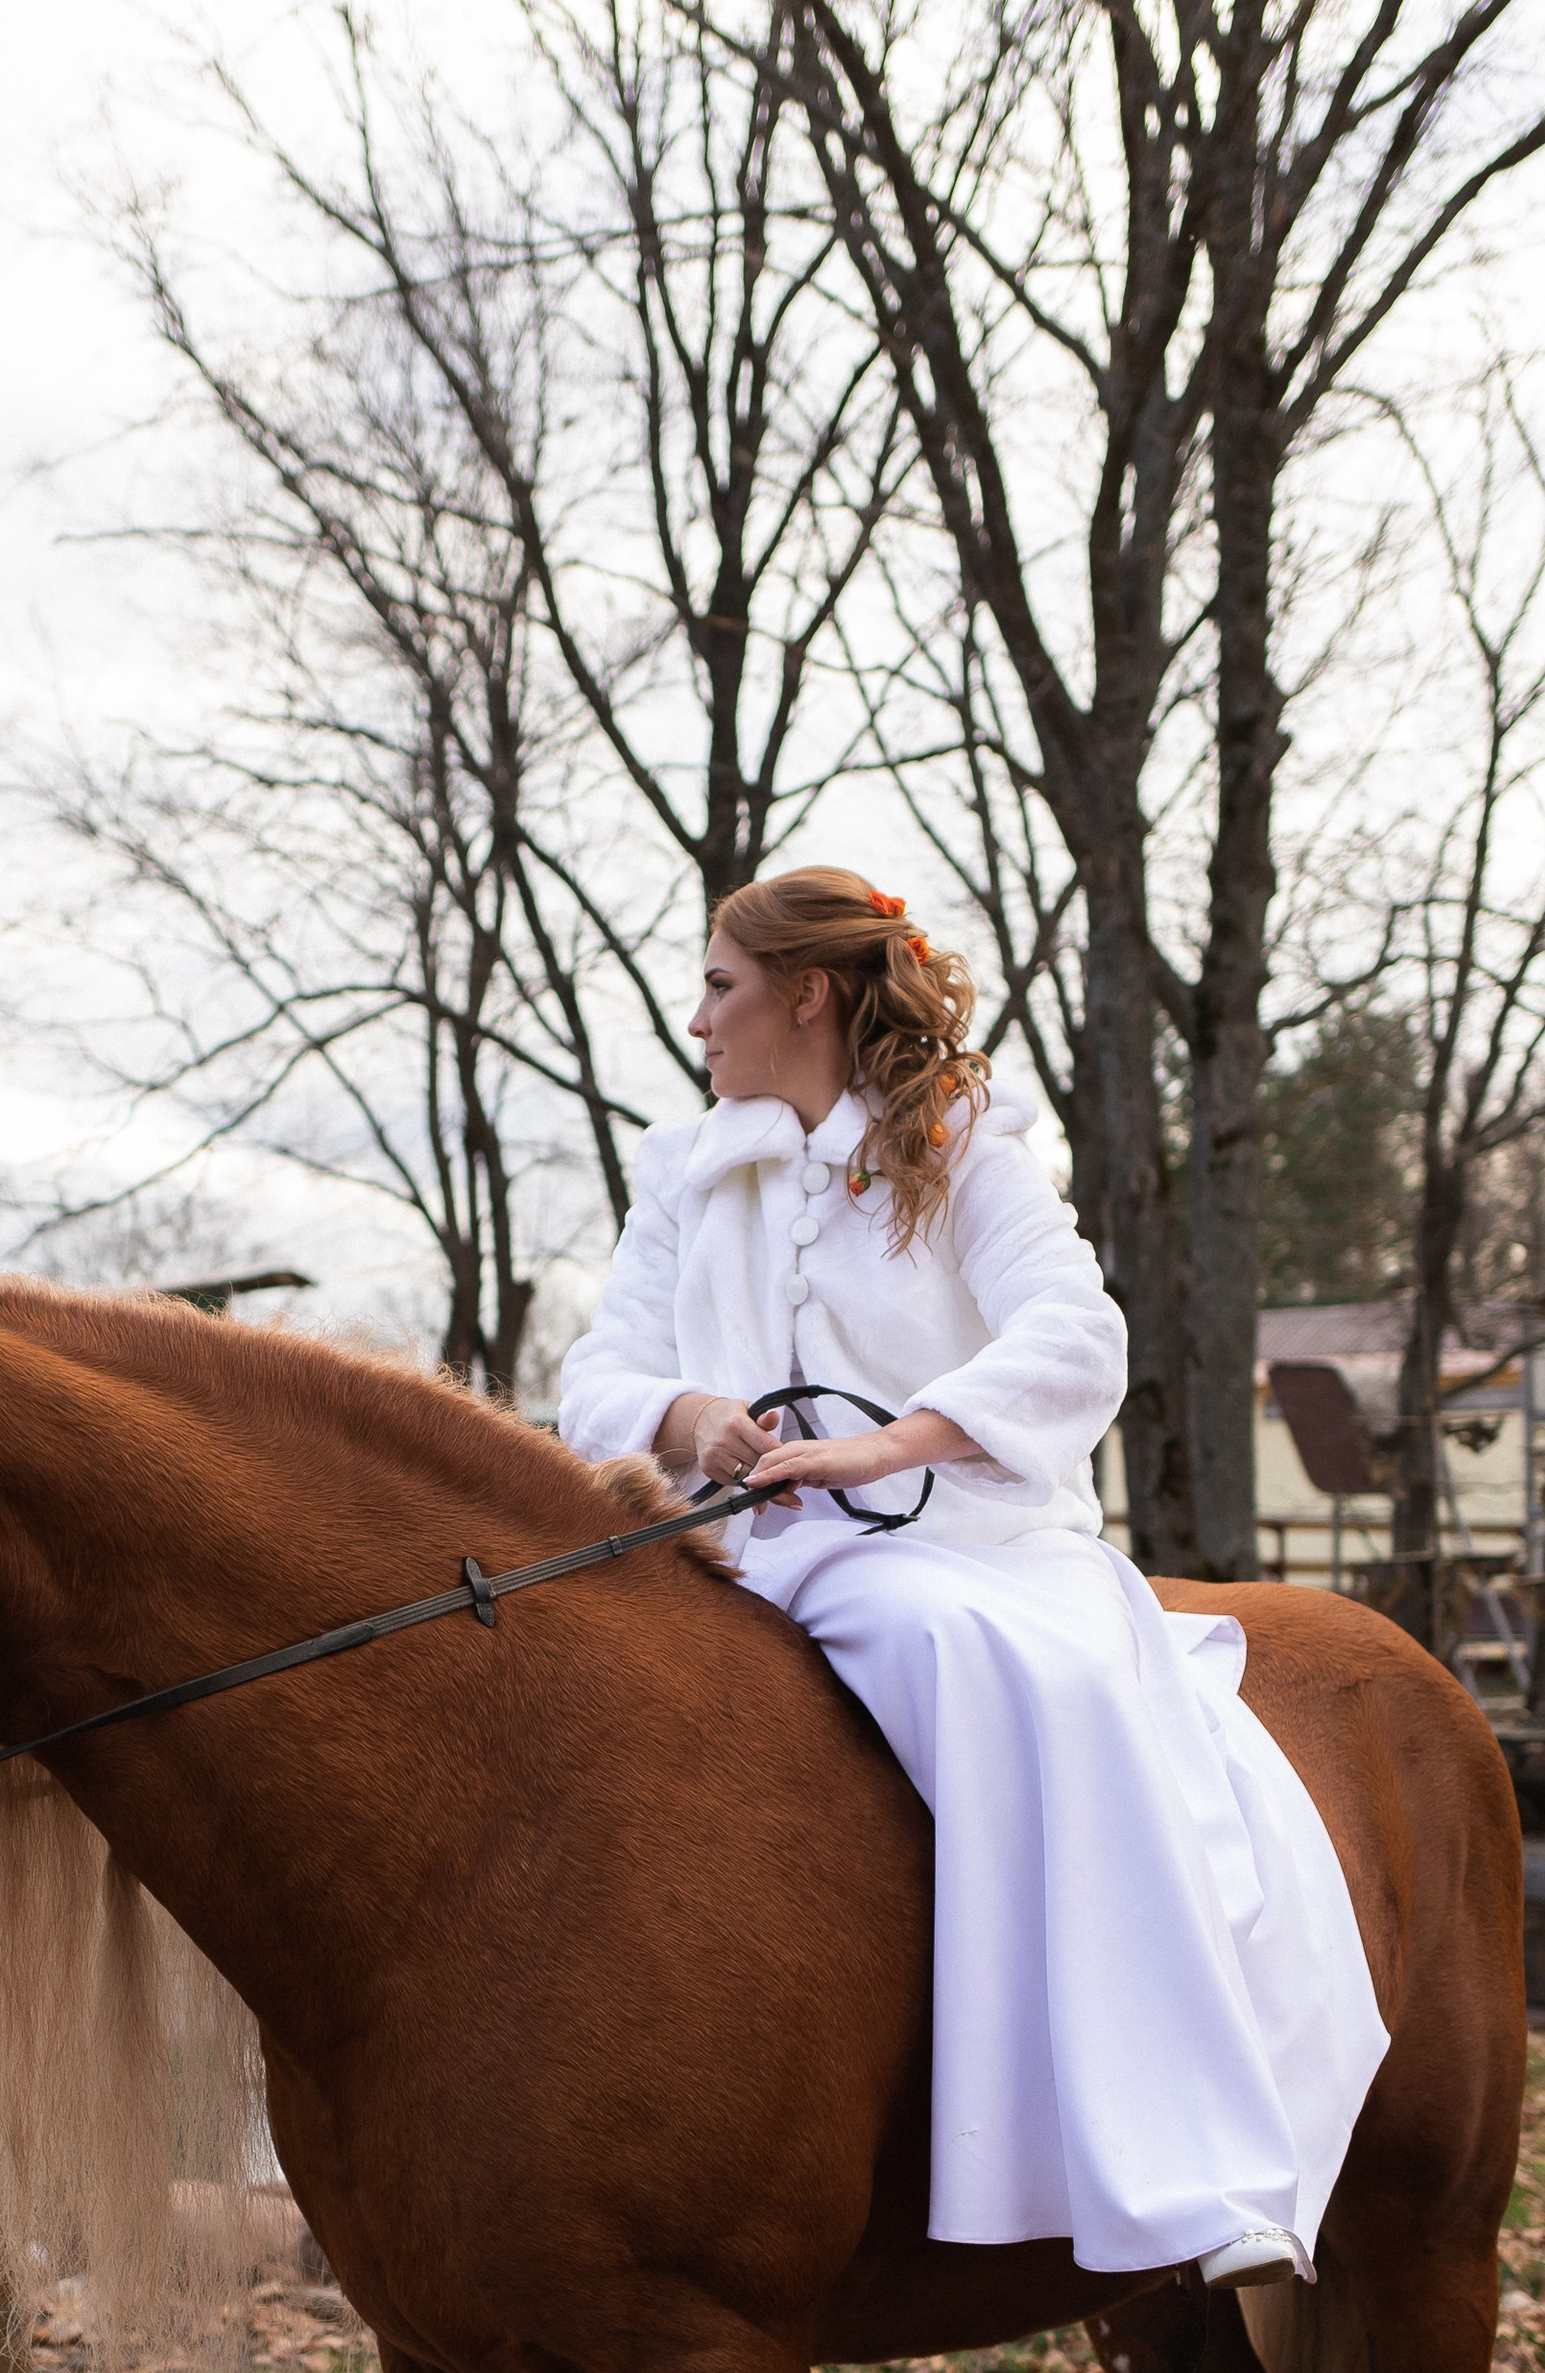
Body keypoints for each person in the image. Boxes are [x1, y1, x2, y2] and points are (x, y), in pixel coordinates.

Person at [555, 865, 1390, 2288]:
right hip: (728, 1552)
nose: (699, 1021)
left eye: (720, 987)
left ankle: (1180, 2152)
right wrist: (693, 1419)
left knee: (974, 1646)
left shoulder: (965, 1148)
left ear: (807, 995)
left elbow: (1075, 1337)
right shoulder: (684, 1174)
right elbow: (598, 1377)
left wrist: (886, 1447)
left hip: (961, 1547)